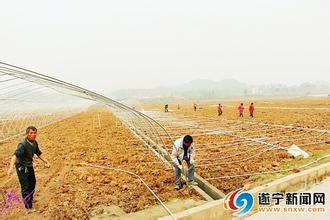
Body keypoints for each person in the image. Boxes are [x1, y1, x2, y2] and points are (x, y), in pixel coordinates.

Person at [7, 126, 50, 213]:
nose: (33, 135)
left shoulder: (34, 142)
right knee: (25, 186)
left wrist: (46, 161)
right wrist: (11, 167)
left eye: (34, 133)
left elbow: (38, 153)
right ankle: (28, 206)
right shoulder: (22, 144)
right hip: (21, 167)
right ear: (27, 134)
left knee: (33, 182)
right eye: (31, 133)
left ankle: (30, 198)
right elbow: (15, 155)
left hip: (28, 165)